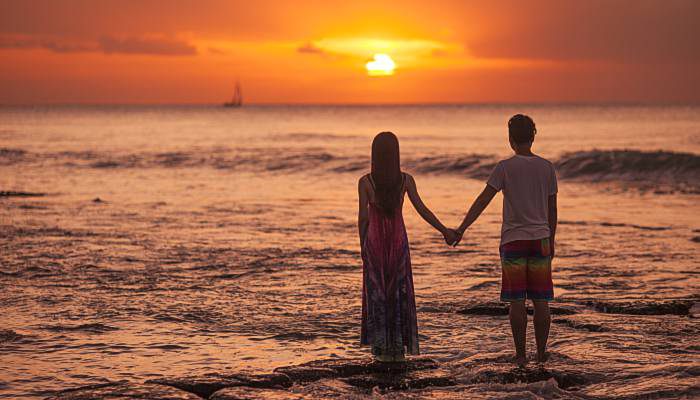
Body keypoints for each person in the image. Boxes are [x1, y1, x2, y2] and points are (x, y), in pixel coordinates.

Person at [453, 114, 558, 366]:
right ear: (533, 137)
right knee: (541, 300)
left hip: (513, 240)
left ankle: (521, 355)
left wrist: (461, 228)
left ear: (511, 139)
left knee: (517, 301)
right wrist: (551, 240)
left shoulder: (504, 167)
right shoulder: (547, 167)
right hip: (541, 239)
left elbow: (482, 200)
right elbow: (552, 208)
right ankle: (541, 354)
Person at [358, 131, 458, 362]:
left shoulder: (365, 182)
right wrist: (445, 230)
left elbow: (363, 219)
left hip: (375, 242)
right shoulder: (405, 180)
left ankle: (381, 349)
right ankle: (398, 350)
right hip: (397, 241)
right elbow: (422, 210)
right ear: (396, 154)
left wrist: (363, 246)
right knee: (399, 290)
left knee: (378, 293)